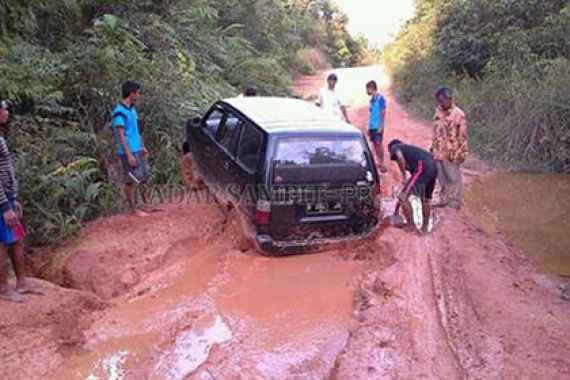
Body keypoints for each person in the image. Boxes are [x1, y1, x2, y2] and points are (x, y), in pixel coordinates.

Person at [0, 100, 41, 303]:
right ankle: (3, 288)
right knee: (2, 243)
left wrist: (13, 198)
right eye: (3, 109)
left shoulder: (0, 137)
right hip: (1, 201)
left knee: (17, 238)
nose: (6, 112)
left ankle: (22, 283)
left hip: (7, 197)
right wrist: (5, 206)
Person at [111, 81, 151, 216]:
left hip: (136, 148)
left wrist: (142, 146)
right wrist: (129, 154)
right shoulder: (119, 112)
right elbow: (121, 135)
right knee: (130, 180)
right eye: (137, 93)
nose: (138, 95)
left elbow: (136, 130)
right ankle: (133, 209)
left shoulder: (132, 109)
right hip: (128, 150)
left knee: (143, 177)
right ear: (132, 93)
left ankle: (148, 205)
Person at [388, 139, 438, 234]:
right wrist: (396, 210)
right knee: (425, 199)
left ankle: (411, 226)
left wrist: (403, 175)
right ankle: (425, 228)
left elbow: (399, 157)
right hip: (433, 167)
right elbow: (407, 187)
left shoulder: (395, 147)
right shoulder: (412, 155)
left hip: (422, 167)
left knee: (403, 197)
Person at [431, 86, 468, 209]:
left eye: (443, 100)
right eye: (439, 101)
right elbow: (435, 130)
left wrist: (460, 153)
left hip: (451, 153)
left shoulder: (458, 115)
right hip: (438, 151)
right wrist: (433, 147)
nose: (441, 103)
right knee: (441, 177)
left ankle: (455, 202)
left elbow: (462, 137)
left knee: (453, 178)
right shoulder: (438, 111)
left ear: (449, 98)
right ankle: (444, 199)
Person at [366, 80, 388, 173]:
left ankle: (382, 162)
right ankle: (378, 161)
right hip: (372, 126)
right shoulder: (371, 100)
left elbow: (383, 112)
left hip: (378, 125)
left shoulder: (381, 99)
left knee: (379, 143)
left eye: (367, 89)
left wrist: (381, 125)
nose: (367, 91)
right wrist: (369, 126)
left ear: (371, 88)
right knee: (374, 144)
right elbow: (371, 114)